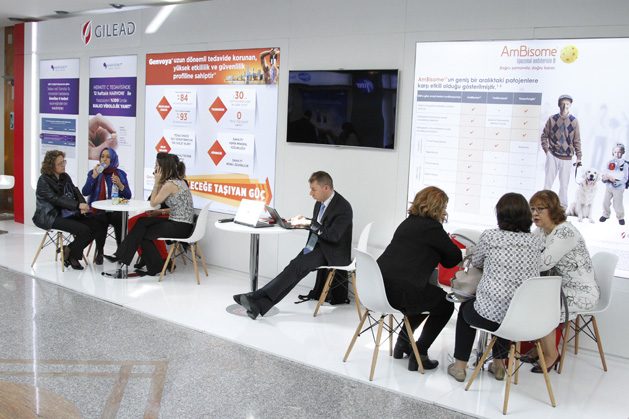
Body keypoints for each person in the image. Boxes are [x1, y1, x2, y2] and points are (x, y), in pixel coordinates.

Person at [447, 193, 543, 382]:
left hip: (489, 315)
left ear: (500, 215)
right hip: (521, 317)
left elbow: (477, 262)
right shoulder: (536, 241)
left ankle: (459, 367)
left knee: (467, 310)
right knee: (509, 307)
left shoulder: (491, 236)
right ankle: (499, 365)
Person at [233, 171, 352, 319]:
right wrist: (299, 222)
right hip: (317, 246)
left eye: (313, 190)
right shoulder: (319, 203)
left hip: (332, 252)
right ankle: (259, 305)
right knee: (294, 268)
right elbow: (319, 226)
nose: (310, 193)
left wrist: (309, 223)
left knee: (296, 267)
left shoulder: (343, 207)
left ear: (326, 188)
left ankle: (255, 296)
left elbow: (333, 236)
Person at [377, 186, 461, 371]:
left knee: (424, 295)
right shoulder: (433, 228)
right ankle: (420, 352)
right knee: (445, 304)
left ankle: (402, 343)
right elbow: (453, 258)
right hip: (401, 293)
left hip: (379, 289)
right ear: (438, 207)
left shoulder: (407, 223)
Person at [528, 189, 599, 373]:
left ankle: (551, 355)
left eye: (540, 209)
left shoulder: (565, 232)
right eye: (532, 209)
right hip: (560, 288)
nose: (535, 213)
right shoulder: (541, 230)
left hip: (582, 292)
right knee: (533, 299)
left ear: (552, 210)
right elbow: (527, 250)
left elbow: (543, 263)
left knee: (543, 304)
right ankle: (540, 349)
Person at [109, 154, 194, 276]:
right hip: (180, 223)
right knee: (141, 223)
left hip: (180, 226)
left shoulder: (170, 184)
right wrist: (160, 212)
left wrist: (156, 183)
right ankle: (122, 256)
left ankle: (151, 265)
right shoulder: (178, 181)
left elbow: (153, 203)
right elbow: (176, 207)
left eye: (157, 166)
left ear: (163, 168)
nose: (155, 169)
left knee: (142, 233)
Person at [32, 150, 105, 270]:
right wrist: (77, 206)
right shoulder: (43, 180)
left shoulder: (64, 176)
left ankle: (69, 250)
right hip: (50, 216)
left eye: (64, 162)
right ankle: (72, 257)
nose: (63, 165)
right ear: (51, 166)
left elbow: (75, 191)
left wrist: (83, 204)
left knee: (97, 225)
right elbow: (55, 199)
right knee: (84, 230)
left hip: (67, 212)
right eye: (60, 163)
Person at [81, 147, 132, 264]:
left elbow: (128, 195)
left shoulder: (120, 174)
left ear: (113, 159)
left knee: (120, 217)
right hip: (98, 211)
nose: (104, 159)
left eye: (108, 157)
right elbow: (85, 192)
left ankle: (120, 252)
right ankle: (100, 252)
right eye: (102, 156)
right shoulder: (94, 173)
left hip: (116, 210)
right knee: (101, 218)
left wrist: (120, 184)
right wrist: (93, 177)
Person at [541, 94, 582, 208]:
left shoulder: (574, 121)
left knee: (564, 185)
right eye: (563, 103)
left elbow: (577, 140)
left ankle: (562, 207)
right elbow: (544, 136)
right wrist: (547, 151)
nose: (565, 106)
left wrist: (579, 157)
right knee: (548, 183)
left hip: (567, 158)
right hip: (553, 155)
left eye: (567, 104)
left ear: (570, 105)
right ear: (559, 105)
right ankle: (543, 204)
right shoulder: (552, 119)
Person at [600, 143, 628, 225]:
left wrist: (616, 182)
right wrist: (604, 178)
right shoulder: (609, 162)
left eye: (619, 152)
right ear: (613, 152)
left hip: (619, 188)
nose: (617, 154)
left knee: (617, 204)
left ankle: (620, 217)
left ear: (622, 153)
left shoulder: (625, 164)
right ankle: (605, 214)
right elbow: (605, 172)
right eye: (615, 152)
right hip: (609, 187)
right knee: (605, 202)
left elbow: (625, 178)